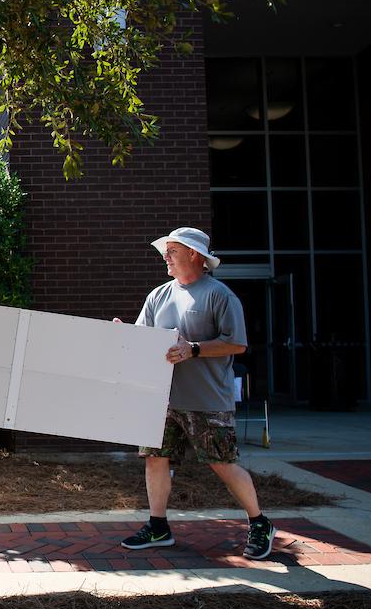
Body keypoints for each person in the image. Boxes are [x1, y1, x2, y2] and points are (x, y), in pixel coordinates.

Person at [118, 227, 277, 560]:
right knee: (155, 459)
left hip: (207, 400)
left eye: (172, 251)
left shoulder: (220, 295)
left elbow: (237, 343)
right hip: (161, 399)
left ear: (194, 255)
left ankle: (260, 523)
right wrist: (122, 337)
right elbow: (141, 340)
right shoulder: (158, 295)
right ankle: (158, 526)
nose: (166, 257)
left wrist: (192, 349)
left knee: (222, 463)